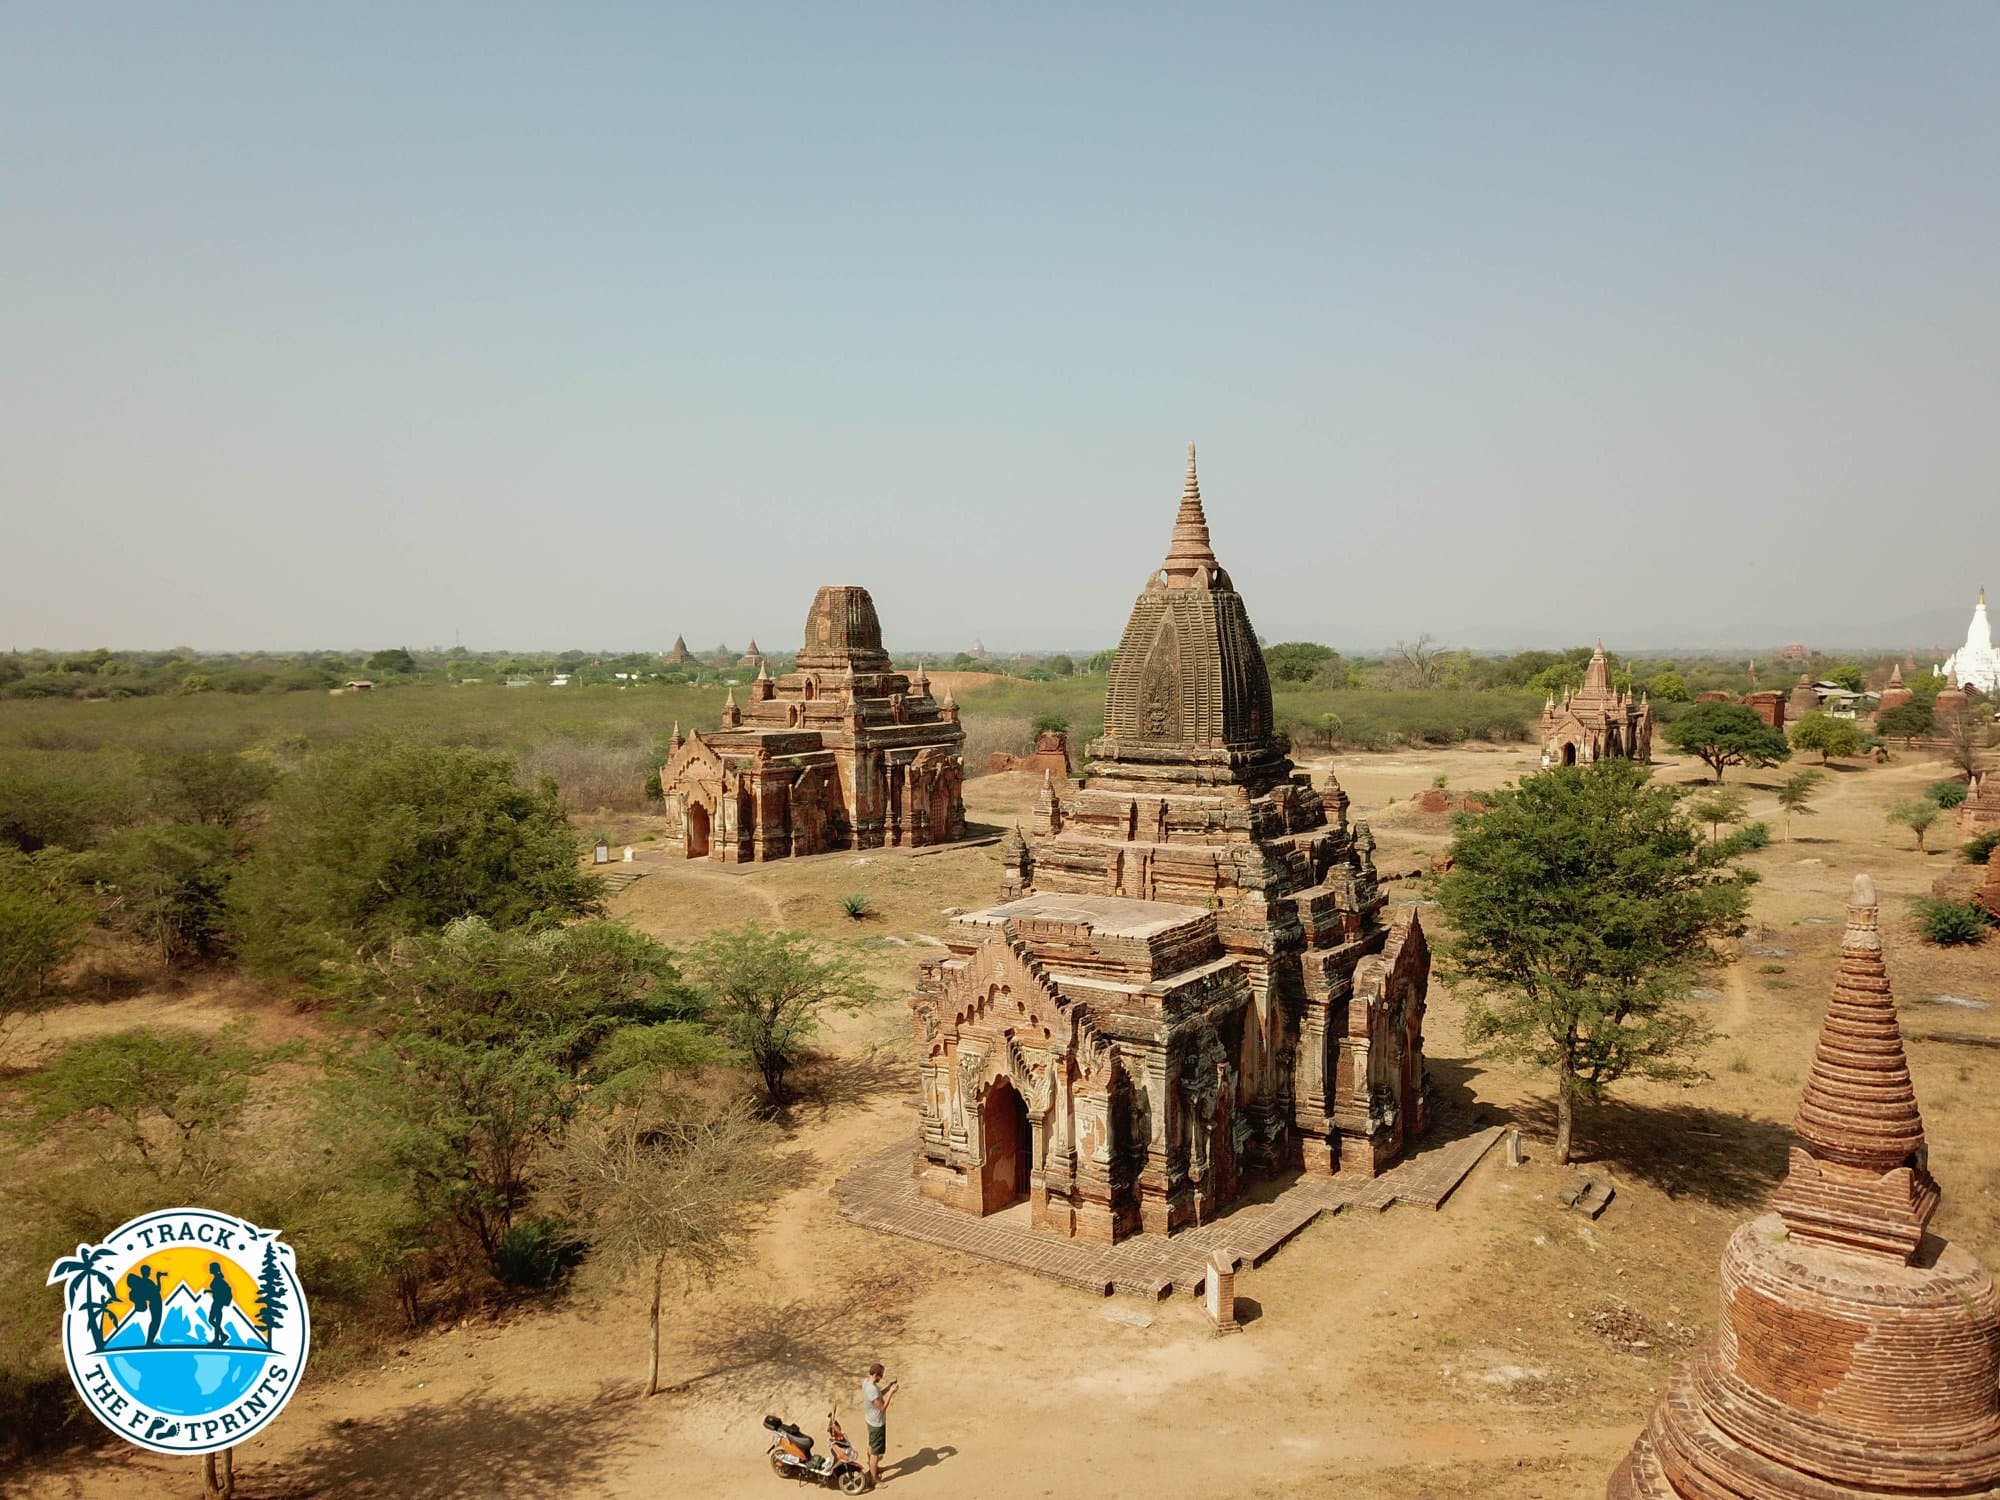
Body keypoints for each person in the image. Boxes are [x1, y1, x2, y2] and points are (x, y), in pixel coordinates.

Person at [860, 1363, 897, 1486]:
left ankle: (873, 1468)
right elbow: (882, 1408)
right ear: (875, 1374)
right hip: (876, 1423)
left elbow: (878, 1395)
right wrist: (891, 1392)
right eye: (880, 1376)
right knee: (876, 1452)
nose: (881, 1378)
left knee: (871, 1445)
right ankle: (874, 1479)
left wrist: (887, 1387)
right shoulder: (871, 1389)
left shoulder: (867, 1383)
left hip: (870, 1420)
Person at [125, 1266, 163, 1345]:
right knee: (155, 1322)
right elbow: (157, 1289)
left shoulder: (143, 1282)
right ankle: (149, 1342)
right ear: (146, 1272)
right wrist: (158, 1278)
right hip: (156, 1302)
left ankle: (149, 1341)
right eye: (149, 1271)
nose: (149, 1273)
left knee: (154, 1322)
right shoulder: (147, 1282)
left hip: (154, 1302)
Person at [205, 1262, 234, 1346]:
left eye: (211, 1268)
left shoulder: (218, 1279)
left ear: (214, 1269)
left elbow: (218, 1291)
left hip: (217, 1302)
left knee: (211, 1320)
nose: (209, 1269)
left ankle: (220, 1337)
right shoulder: (217, 1278)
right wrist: (209, 1291)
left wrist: (210, 1291)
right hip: (218, 1302)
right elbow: (217, 1290)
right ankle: (219, 1338)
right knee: (216, 1322)